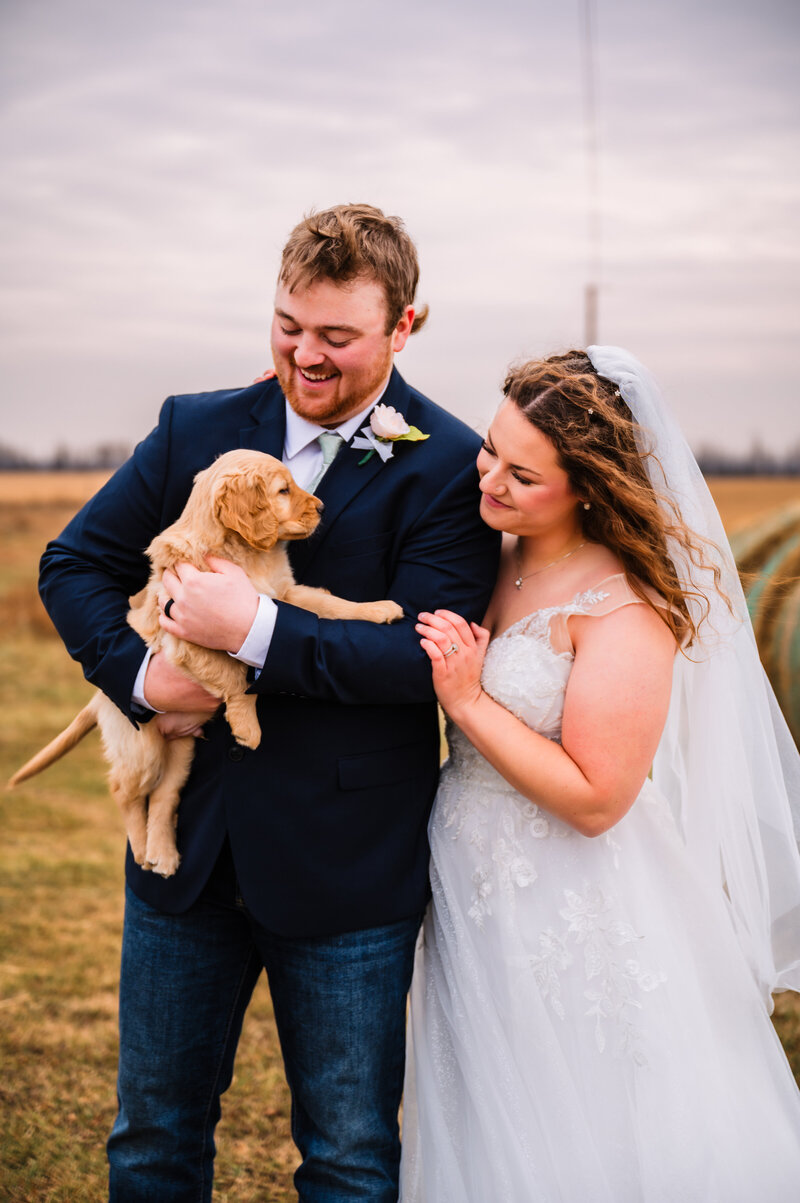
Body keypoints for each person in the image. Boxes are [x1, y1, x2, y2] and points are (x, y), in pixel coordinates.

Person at [38, 203, 500, 1202]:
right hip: (184, 857)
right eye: (288, 326)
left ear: (404, 327)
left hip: (346, 872)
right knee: (151, 1145)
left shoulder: (447, 466)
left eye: (336, 336)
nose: (306, 356)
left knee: (346, 1161)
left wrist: (250, 630)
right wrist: (140, 676)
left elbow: (423, 661)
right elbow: (73, 563)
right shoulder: (194, 427)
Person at [400, 346, 800, 1201]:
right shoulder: (491, 551)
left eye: (523, 474)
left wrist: (470, 704)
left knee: (584, 1115)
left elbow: (598, 797)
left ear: (587, 485)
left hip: (571, 896)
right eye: (490, 453)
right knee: (482, 1099)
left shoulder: (622, 605)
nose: (492, 482)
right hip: (470, 876)